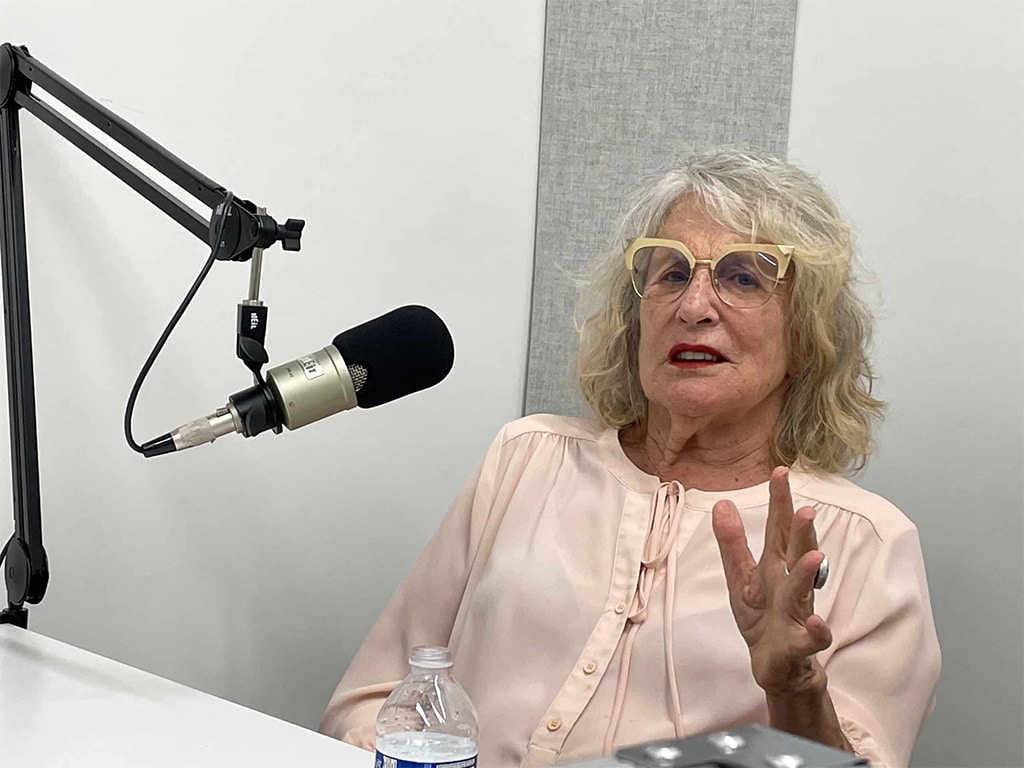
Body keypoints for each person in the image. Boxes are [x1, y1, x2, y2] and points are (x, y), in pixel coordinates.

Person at [319, 149, 940, 768]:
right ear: (635, 318)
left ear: (807, 334)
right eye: (671, 273)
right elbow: (373, 699)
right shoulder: (525, 460)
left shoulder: (864, 542)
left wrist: (795, 687)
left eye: (743, 278)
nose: (693, 306)